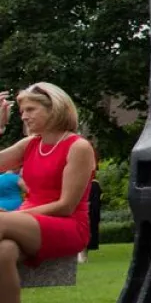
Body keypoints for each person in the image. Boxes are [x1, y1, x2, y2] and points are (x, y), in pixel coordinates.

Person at [0, 84, 99, 300]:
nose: (24, 116)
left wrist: (11, 217)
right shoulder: (31, 144)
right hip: (30, 221)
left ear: (54, 109)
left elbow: (66, 206)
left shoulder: (78, 146)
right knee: (4, 252)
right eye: (22, 111)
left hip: (68, 224)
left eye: (31, 109)